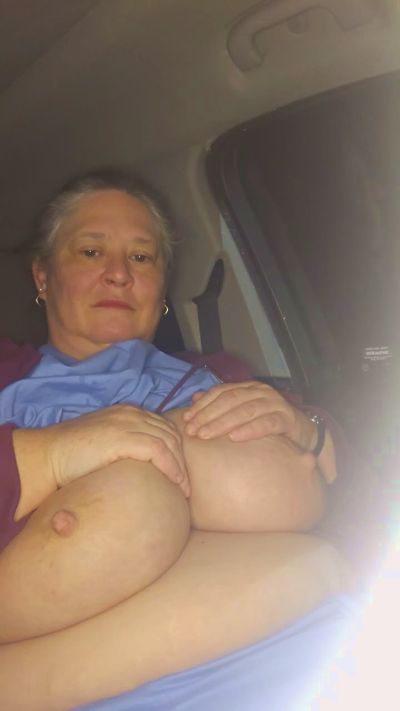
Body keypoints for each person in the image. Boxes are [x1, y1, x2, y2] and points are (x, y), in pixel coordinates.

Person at [0, 170, 347, 709]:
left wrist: (312, 431)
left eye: (142, 258)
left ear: (161, 287)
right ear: (43, 276)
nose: (119, 274)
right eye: (91, 252)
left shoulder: (217, 372)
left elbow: (360, 481)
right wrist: (56, 452)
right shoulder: (7, 375)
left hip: (324, 659)